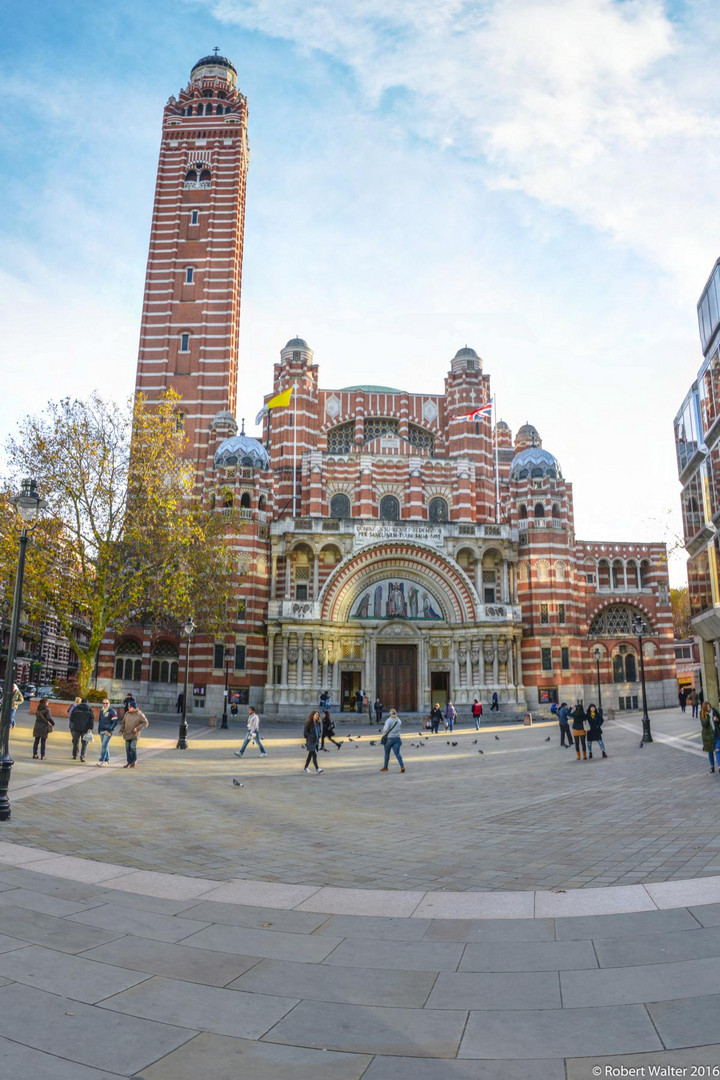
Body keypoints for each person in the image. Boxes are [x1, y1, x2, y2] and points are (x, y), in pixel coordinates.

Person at [118, 699, 149, 768]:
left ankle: (134, 761)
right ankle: (129, 762)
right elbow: (123, 723)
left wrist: (137, 728)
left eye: (130, 707)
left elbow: (146, 723)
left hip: (134, 735)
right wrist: (121, 731)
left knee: (132, 747)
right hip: (127, 734)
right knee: (127, 749)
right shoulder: (127, 714)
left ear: (134, 708)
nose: (128, 708)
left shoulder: (139, 714)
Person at [69, 698, 95, 762]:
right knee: (84, 743)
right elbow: (92, 720)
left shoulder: (76, 708)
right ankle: (82, 756)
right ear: (87, 702)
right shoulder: (90, 709)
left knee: (75, 742)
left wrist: (75, 723)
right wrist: (90, 728)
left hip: (76, 728)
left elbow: (71, 718)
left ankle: (75, 755)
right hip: (85, 729)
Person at [380, 708, 405, 773]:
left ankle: (385, 767)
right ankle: (402, 766)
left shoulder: (389, 720)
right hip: (397, 738)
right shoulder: (399, 720)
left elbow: (385, 729)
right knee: (397, 753)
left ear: (390, 714)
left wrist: (384, 734)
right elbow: (400, 728)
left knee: (387, 753)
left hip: (389, 738)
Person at [97, 697, 118, 766]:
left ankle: (101, 760)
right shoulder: (101, 710)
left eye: (106, 703)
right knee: (105, 746)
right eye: (104, 703)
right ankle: (107, 760)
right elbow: (100, 720)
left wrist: (109, 730)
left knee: (104, 746)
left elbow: (114, 722)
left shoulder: (112, 711)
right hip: (101, 730)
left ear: (109, 703)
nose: (105, 704)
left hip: (108, 731)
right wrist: (99, 729)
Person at [701, 702, 718, 773]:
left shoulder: (714, 711)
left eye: (709, 707)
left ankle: (719, 766)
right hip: (708, 735)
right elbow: (704, 725)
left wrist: (717, 719)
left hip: (715, 733)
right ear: (704, 709)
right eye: (707, 708)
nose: (709, 708)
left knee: (717, 750)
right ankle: (712, 766)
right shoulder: (702, 714)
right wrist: (707, 716)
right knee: (710, 751)